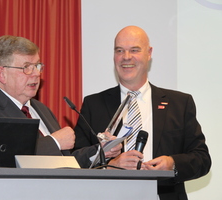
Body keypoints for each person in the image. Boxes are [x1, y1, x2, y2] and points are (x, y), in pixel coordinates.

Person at [73, 26, 211, 199]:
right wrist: (110, 166)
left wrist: (172, 163)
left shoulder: (180, 104)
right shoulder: (94, 104)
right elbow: (75, 161)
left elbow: (202, 159)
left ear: (149, 53)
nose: (126, 57)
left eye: (134, 50)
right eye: (119, 50)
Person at [0, 35, 121, 168]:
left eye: (37, 66)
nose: (36, 74)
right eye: (27, 67)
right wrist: (54, 142)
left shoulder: (41, 109)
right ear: (2, 74)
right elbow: (0, 162)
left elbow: (62, 163)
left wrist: (99, 151)